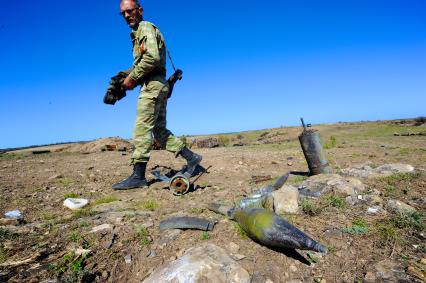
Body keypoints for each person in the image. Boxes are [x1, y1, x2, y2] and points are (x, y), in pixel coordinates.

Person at [112, 0, 201, 190]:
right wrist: (126, 76)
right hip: (158, 85)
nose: (126, 16)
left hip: (152, 87)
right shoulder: (140, 32)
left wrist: (132, 78)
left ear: (140, 10)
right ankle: (192, 158)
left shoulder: (145, 27)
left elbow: (151, 57)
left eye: (129, 11)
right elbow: (147, 60)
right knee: (160, 132)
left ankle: (138, 176)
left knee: (142, 129)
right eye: (123, 13)